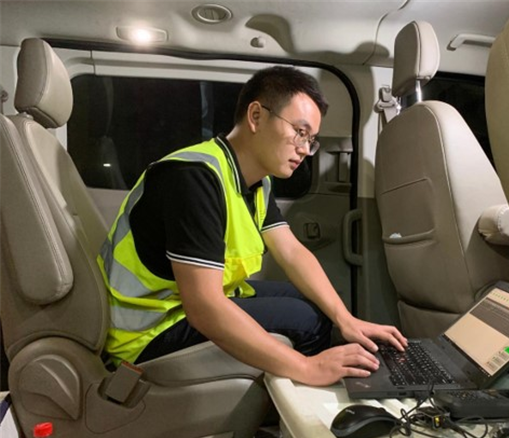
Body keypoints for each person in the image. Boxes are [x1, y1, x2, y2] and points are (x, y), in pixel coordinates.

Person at [98, 65, 407, 387]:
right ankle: (295, 403)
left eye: (311, 140)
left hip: (179, 307)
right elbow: (203, 307)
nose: (305, 149)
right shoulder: (194, 179)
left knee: (313, 303)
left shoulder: (256, 181)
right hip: (146, 332)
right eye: (300, 132)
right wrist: (307, 367)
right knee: (305, 321)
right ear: (256, 116)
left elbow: (291, 251)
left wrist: (346, 319)